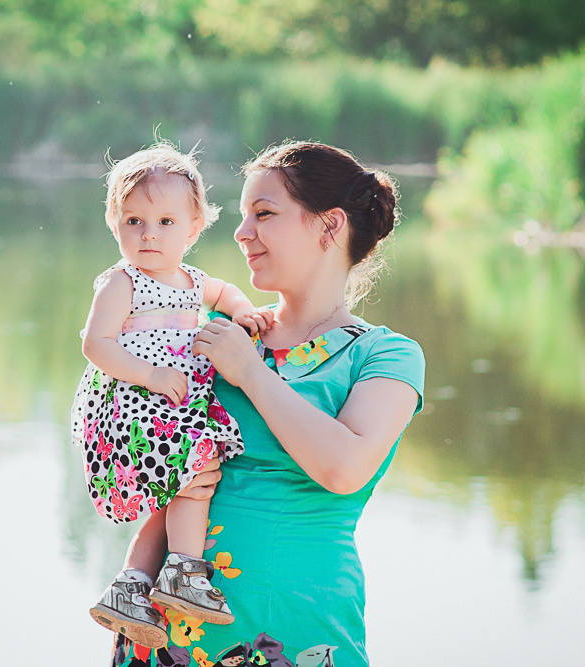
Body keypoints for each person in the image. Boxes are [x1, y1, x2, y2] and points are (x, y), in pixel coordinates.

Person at [110, 141, 425, 667]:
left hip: (295, 628)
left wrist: (251, 373)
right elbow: (141, 457)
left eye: (265, 214)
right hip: (169, 638)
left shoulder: (384, 355)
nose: (240, 233)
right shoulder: (217, 334)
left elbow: (343, 467)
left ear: (330, 227)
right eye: (241, 216)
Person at [73, 142, 273, 649]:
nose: (148, 234)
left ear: (194, 227)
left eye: (165, 222)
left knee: (184, 488)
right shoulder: (123, 281)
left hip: (170, 404)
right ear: (114, 223)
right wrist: (151, 376)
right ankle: (182, 573)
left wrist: (247, 312)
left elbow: (226, 293)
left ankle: (135, 585)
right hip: (134, 402)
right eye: (133, 221)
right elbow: (95, 344)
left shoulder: (190, 280)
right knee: (198, 473)